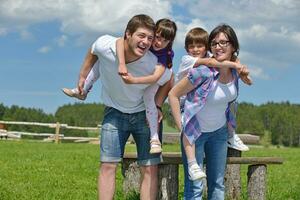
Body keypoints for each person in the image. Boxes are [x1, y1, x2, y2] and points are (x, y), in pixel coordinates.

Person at [77, 14, 167, 200]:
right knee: (108, 165)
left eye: (150, 38)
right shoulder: (106, 45)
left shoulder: (152, 63)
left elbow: (169, 80)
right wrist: (82, 75)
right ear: (128, 34)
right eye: (141, 36)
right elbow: (93, 50)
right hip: (114, 113)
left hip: (144, 115)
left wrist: (157, 105)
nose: (146, 42)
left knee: (150, 167)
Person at [168, 24, 250, 199]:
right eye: (214, 43)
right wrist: (181, 125)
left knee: (217, 185)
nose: (218, 46)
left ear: (233, 46)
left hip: (219, 133)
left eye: (223, 42)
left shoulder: (235, 71)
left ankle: (232, 135)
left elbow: (234, 96)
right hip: (196, 134)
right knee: (195, 186)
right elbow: (173, 94)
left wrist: (243, 72)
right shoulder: (202, 72)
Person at [116, 18, 177, 154]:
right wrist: (121, 63)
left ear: (169, 43)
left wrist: (133, 80)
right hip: (153, 77)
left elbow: (155, 77)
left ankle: (154, 139)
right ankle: (85, 86)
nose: (159, 43)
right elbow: (120, 41)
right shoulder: (145, 43)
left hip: (160, 78)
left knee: (148, 96)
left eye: (165, 41)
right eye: (158, 37)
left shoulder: (164, 54)